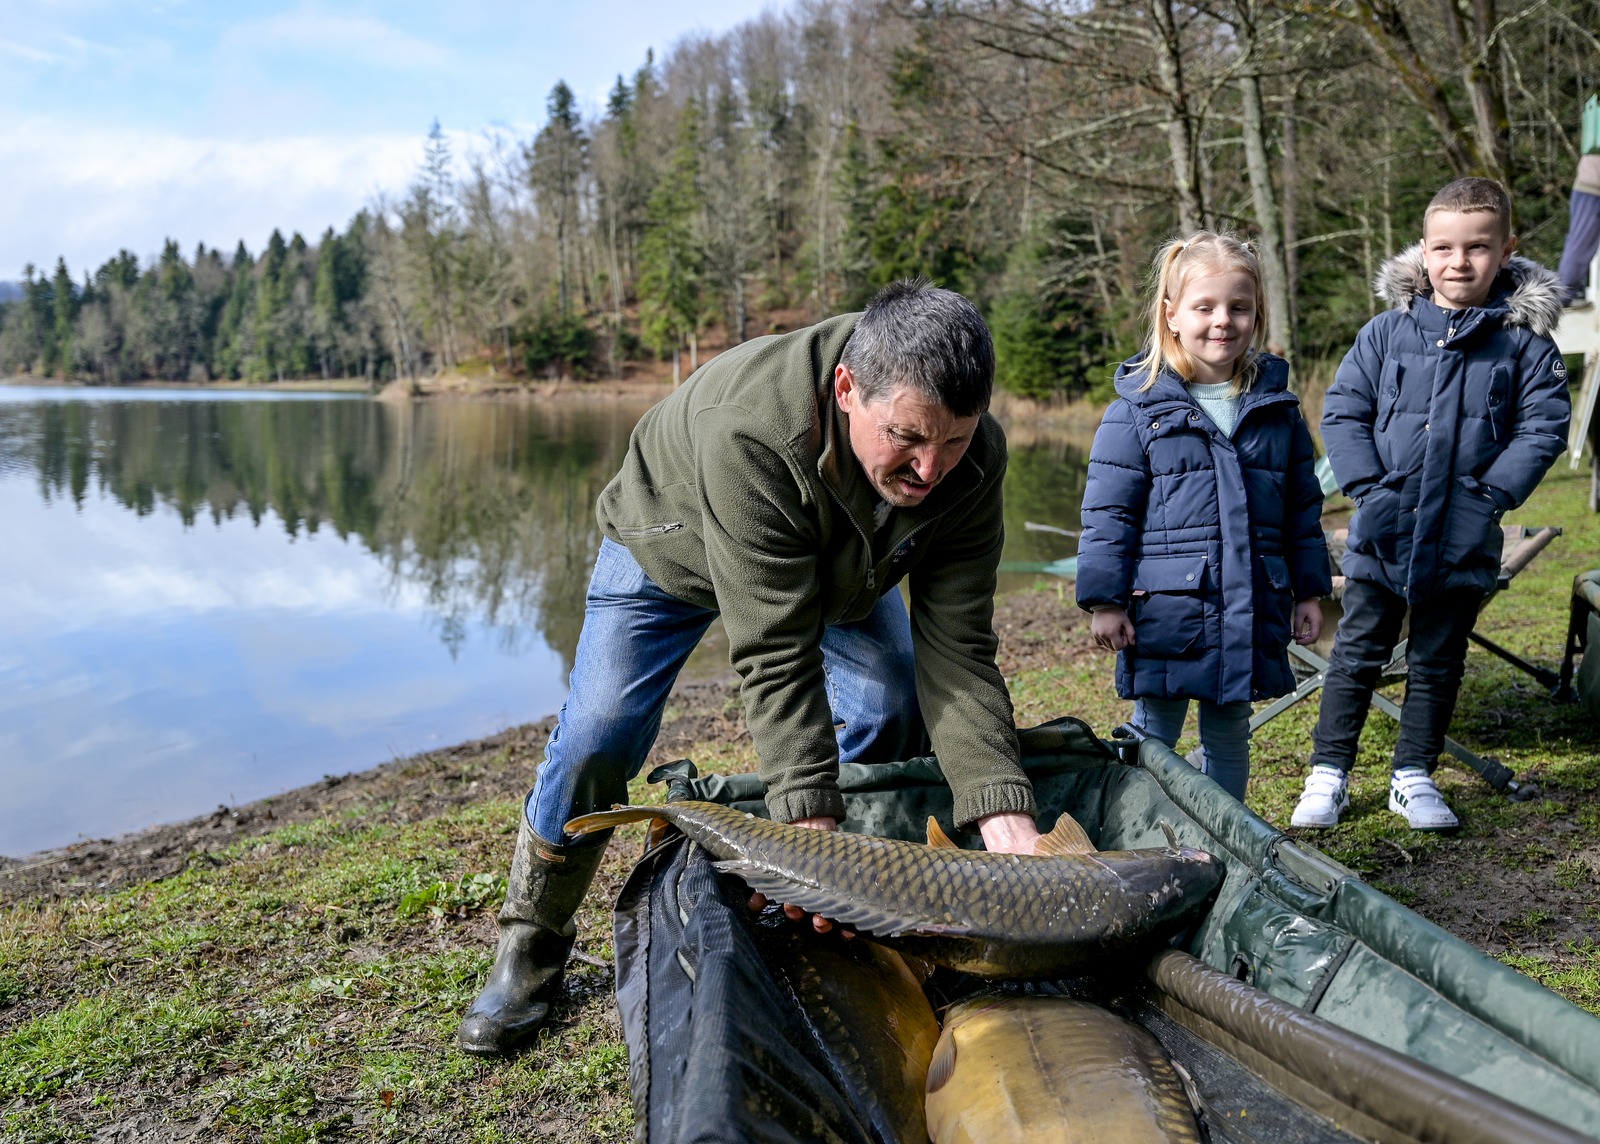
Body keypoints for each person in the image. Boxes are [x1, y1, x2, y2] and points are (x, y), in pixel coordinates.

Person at [457, 280, 1044, 1056]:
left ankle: (849, 909)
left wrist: (1002, 812)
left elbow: (958, 646)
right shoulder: (752, 431)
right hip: (673, 544)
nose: (931, 469)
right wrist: (806, 820)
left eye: (954, 441)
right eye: (907, 436)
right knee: (602, 732)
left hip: (843, 557)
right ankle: (529, 947)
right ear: (846, 389)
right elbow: (775, 649)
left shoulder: (971, 462)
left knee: (895, 695)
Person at [1292, 177, 1571, 831]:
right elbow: (1344, 410)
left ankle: (1412, 774)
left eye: (1478, 247)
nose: (1459, 261)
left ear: (1506, 249)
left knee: (1439, 658)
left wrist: (1489, 497)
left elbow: (1543, 427)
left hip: (1463, 534)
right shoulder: (1386, 333)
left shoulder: (1527, 345)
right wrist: (1370, 489)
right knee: (1357, 652)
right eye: (1443, 247)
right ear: (1423, 251)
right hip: (1383, 531)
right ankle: (1328, 772)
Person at [1076, 232, 1331, 802]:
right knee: (1152, 737)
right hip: (1167, 612)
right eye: (1205, 307)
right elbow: (1107, 516)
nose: (1223, 321)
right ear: (1171, 315)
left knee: (1230, 737)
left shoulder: (1279, 413)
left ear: (1257, 313)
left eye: (1239, 307)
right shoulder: (1137, 410)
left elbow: (1302, 513)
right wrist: (1106, 601)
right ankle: (1143, 837)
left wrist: (1310, 592)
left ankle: (1225, 847)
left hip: (1250, 604)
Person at [1557, 152, 1600, 308]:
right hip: (1593, 187)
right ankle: (1563, 295)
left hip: (1590, 182)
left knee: (1579, 243)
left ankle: (1564, 293)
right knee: (1581, 245)